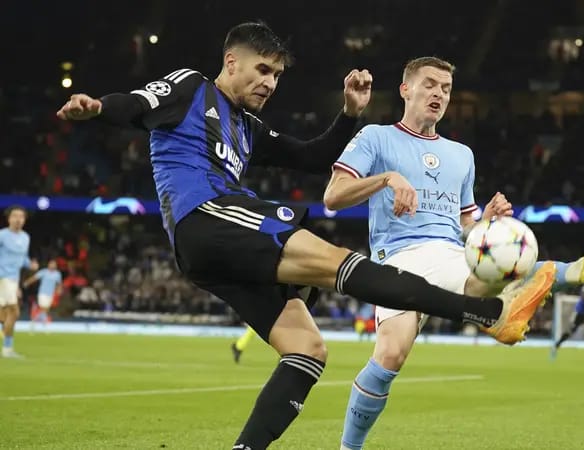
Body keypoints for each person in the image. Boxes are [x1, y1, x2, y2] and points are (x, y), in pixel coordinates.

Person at [56, 22, 555, 449]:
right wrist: (96, 107)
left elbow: (314, 157)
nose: (270, 83)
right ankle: (488, 313)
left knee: (308, 350)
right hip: (208, 215)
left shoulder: (247, 127)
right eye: (262, 70)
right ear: (231, 62)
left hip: (210, 251)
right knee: (339, 263)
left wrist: (351, 112)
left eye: (276, 75)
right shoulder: (192, 88)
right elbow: (140, 103)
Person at [323, 56, 584, 450]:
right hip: (398, 257)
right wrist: (387, 178)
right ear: (405, 89)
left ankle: (578, 271)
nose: (438, 93)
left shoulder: (462, 155)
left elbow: (465, 227)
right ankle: (348, 448)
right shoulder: (376, 137)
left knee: (489, 269)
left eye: (446, 88)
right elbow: (333, 197)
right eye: (430, 84)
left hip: (449, 253)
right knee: (389, 356)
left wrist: (486, 220)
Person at [0, 205, 39, 358]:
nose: (18, 219)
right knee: (14, 312)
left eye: (21, 217)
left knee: (5, 313)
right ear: (9, 218)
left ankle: (7, 347)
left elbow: (22, 258)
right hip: (2, 277)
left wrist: (31, 264)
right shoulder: (2, 235)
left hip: (13, 279)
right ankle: (7, 349)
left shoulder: (25, 238)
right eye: (15, 216)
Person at [23, 258, 63, 330]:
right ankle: (44, 323)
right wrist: (27, 282)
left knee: (46, 309)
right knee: (43, 308)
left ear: (56, 265)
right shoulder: (44, 272)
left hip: (50, 294)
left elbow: (59, 283)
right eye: (51, 263)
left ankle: (34, 321)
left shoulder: (57, 274)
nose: (52, 265)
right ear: (48, 265)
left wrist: (59, 290)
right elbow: (34, 278)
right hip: (42, 293)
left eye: (54, 264)